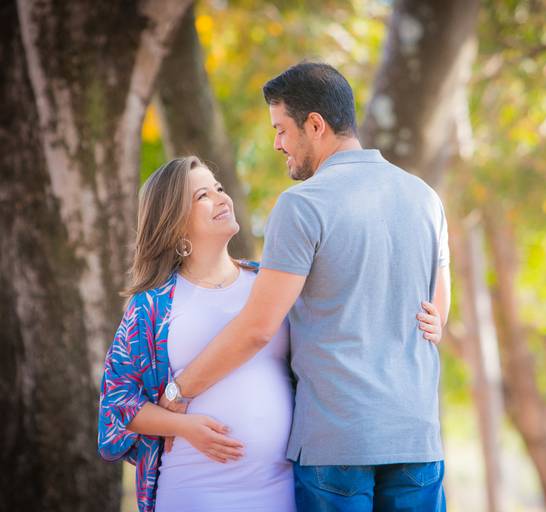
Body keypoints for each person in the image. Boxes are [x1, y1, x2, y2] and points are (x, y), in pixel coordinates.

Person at [160, 62, 452, 511]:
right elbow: (439, 308)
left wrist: (179, 393)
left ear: (315, 125)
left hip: (337, 447)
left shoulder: (303, 204)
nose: (277, 143)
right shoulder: (425, 197)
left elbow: (258, 327)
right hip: (417, 440)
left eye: (281, 129)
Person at [96, 155, 448, 511]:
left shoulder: (274, 282)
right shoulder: (153, 305)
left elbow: (348, 312)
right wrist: (184, 427)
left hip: (280, 490)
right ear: (174, 222)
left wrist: (433, 314)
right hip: (195, 489)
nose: (221, 197)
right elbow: (117, 407)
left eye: (218, 187)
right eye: (202, 195)